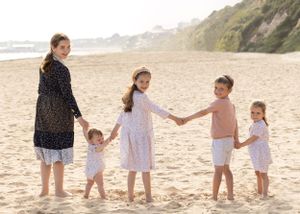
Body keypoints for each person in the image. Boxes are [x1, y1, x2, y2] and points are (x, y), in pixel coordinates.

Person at [110, 66, 183, 202]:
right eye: (142, 81)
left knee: (132, 168)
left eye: (147, 82)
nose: (145, 85)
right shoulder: (141, 97)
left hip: (132, 136)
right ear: (135, 80)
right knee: (144, 169)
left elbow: (122, 115)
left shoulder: (131, 95)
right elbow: (156, 109)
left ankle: (130, 196)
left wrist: (115, 130)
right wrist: (176, 118)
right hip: (141, 137)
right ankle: (148, 197)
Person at [33, 33, 89, 197]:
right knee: (57, 151)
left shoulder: (44, 64)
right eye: (62, 47)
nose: (66, 50)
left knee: (46, 151)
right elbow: (68, 95)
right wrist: (80, 117)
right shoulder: (61, 69)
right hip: (58, 111)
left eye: (68, 47)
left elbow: (41, 89)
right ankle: (58, 190)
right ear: (53, 47)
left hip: (43, 108)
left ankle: (44, 190)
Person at [183, 75, 238, 201]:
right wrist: (236, 139)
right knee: (226, 169)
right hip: (229, 141)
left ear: (229, 91)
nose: (217, 91)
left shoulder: (219, 102)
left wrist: (186, 119)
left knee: (218, 170)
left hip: (220, 142)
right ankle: (230, 195)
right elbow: (235, 122)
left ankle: (214, 197)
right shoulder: (231, 104)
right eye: (216, 88)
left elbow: (203, 112)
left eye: (221, 89)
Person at [235, 101, 272, 198]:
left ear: (263, 114)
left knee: (263, 173)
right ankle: (259, 191)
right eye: (252, 112)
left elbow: (253, 138)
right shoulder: (255, 123)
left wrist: (241, 144)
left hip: (261, 151)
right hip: (255, 151)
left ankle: (265, 194)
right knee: (257, 172)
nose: (254, 115)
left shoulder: (261, 124)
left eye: (258, 113)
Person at [83, 127, 111, 199]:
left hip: (89, 170)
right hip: (96, 170)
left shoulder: (90, 145)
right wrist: (110, 139)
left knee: (89, 183)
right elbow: (103, 145)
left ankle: (86, 195)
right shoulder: (97, 148)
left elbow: (86, 136)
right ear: (91, 141)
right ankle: (103, 197)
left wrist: (84, 128)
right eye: (98, 140)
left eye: (102, 138)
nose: (101, 140)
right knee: (100, 184)